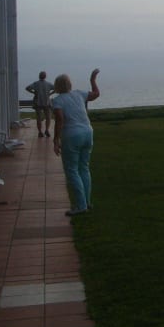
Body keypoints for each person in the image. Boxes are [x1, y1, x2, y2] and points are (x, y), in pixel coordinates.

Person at [52, 69, 100, 217]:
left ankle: (80, 205)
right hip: (87, 132)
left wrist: (56, 140)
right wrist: (92, 80)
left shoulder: (57, 101)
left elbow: (60, 120)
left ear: (57, 86)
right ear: (70, 84)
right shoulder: (79, 94)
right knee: (84, 168)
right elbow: (96, 94)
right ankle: (87, 202)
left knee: (72, 170)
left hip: (72, 136)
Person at [25, 71, 54, 138]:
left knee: (38, 118)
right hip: (47, 103)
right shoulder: (48, 84)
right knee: (48, 117)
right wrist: (50, 94)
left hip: (38, 103)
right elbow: (55, 88)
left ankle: (40, 132)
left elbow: (27, 88)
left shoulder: (36, 84)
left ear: (39, 76)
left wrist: (33, 92)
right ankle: (46, 130)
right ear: (45, 76)